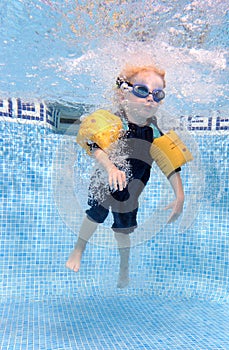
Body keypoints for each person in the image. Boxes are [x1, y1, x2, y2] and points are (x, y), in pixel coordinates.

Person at [66, 64, 185, 288]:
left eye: (158, 94)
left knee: (123, 230)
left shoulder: (155, 131)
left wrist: (180, 195)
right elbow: (93, 146)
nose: (151, 99)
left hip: (130, 192)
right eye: (142, 90)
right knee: (94, 216)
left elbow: (170, 162)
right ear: (124, 93)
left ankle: (124, 268)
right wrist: (111, 168)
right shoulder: (115, 121)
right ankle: (79, 248)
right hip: (104, 181)